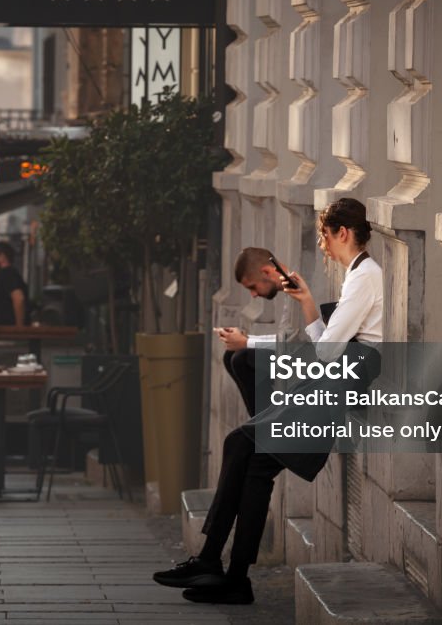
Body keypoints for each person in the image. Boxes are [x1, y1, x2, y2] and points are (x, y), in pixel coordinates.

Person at [152, 198, 383, 605]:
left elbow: (326, 353)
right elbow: (323, 347)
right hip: (328, 384)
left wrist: (297, 318)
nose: (323, 246)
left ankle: (215, 564)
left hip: (333, 389)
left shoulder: (364, 277)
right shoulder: (357, 276)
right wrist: (309, 302)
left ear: (343, 233)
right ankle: (230, 575)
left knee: (241, 445)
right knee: (251, 460)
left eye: (325, 237)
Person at [216, 247, 294, 418]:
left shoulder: (296, 287)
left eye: (252, 286)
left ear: (266, 272)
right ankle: (260, 423)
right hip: (295, 356)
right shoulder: (289, 289)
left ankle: (267, 429)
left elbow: (294, 344)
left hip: (309, 362)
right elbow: (285, 339)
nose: (253, 295)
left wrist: (246, 343)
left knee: (242, 358)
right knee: (231, 355)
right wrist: (245, 339)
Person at [0, 242, 28, 326]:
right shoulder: (7, 275)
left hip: (8, 335)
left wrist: (19, 331)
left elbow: (19, 299)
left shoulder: (7, 274)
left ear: (1, 257)